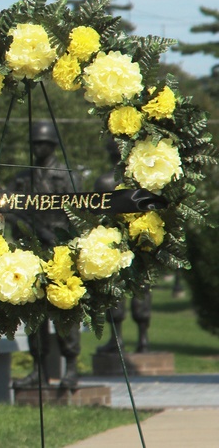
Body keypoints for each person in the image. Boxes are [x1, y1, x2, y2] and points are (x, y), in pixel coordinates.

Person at [9, 121, 82, 390]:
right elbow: (11, 208)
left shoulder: (66, 176)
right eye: (35, 143)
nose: (38, 148)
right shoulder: (23, 177)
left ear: (52, 145)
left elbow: (79, 212)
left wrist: (62, 238)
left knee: (65, 313)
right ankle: (39, 369)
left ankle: (71, 368)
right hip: (32, 253)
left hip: (60, 252)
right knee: (35, 315)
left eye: (44, 143)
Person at [93, 140, 153, 355]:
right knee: (132, 290)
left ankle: (129, 339)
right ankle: (134, 339)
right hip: (129, 243)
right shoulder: (138, 181)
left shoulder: (107, 182)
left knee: (122, 290)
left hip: (124, 244)